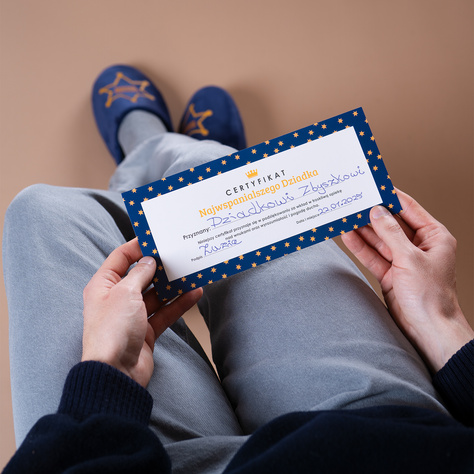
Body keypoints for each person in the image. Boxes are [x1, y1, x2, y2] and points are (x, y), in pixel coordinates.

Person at [2, 64, 473, 473]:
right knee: (218, 174)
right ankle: (176, 149)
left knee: (40, 211)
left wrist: (110, 372)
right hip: (386, 433)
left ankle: (149, 149)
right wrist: (442, 322)